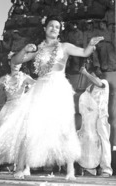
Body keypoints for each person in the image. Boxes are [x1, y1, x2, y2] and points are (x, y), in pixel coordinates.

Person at [11, 15, 104, 180]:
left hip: (58, 87)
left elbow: (84, 52)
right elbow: (15, 61)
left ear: (59, 30)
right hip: (40, 88)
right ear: (45, 28)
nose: (54, 28)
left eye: (57, 26)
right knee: (32, 125)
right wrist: (25, 50)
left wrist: (90, 44)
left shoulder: (64, 46)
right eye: (51, 26)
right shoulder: (37, 48)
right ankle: (25, 167)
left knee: (64, 127)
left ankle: (70, 170)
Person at [78, 66, 113, 177]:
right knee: (91, 143)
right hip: (90, 120)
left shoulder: (103, 82)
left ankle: (106, 169)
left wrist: (85, 73)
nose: (89, 77)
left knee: (104, 141)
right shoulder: (89, 88)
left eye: (91, 74)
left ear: (95, 74)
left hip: (101, 117)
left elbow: (99, 84)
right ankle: (91, 167)